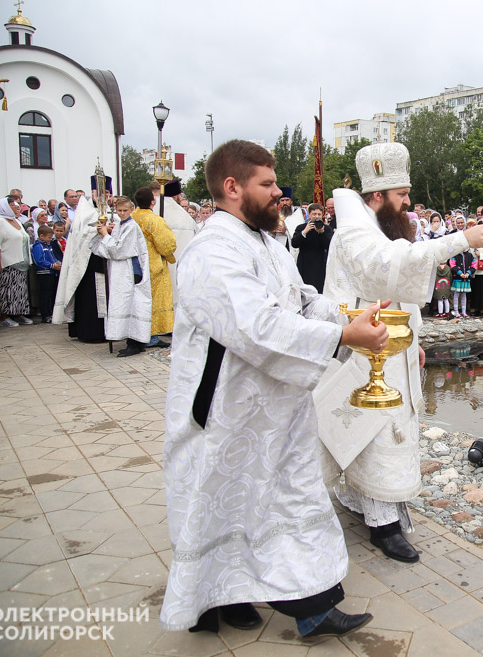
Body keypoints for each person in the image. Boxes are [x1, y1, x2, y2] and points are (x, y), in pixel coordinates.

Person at [161, 139, 381, 639]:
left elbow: (299, 300)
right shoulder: (212, 251)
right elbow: (254, 325)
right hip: (224, 412)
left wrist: (347, 316)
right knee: (221, 502)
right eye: (267, 183)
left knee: (282, 499)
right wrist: (342, 338)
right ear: (232, 187)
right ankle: (229, 602)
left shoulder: (263, 241)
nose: (279, 191)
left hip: (274, 408)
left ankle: (294, 605)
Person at [318, 141, 483, 564]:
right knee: (377, 430)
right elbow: (386, 268)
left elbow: (403, 293)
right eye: (401, 195)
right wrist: (461, 239)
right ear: (377, 195)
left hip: (393, 348)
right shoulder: (353, 234)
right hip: (365, 353)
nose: (407, 204)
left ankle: (367, 501)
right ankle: (382, 524)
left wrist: (414, 342)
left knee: (393, 427)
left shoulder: (381, 229)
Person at [88, 197, 153, 357]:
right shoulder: (119, 225)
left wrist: (105, 235)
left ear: (132, 209)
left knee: (132, 304)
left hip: (130, 271)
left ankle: (135, 342)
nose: (122, 213)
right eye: (119, 211)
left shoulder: (132, 227)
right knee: (126, 303)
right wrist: (104, 233)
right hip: (120, 271)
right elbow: (109, 249)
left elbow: (119, 250)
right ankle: (133, 341)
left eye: (125, 210)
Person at [52, 198, 106, 343]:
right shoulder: (87, 224)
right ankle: (93, 333)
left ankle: (86, 331)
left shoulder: (81, 222)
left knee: (88, 302)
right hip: (89, 268)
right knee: (90, 303)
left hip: (88, 269)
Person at [131, 186, 176, 347]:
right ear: (153, 201)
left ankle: (137, 333)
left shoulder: (131, 217)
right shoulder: (155, 220)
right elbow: (167, 244)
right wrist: (169, 255)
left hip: (134, 264)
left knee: (138, 300)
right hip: (153, 264)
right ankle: (151, 336)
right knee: (154, 301)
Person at [0, 198, 32, 326]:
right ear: (5, 207)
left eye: (17, 205)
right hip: (7, 262)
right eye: (12, 205)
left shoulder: (16, 221)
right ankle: (4, 317)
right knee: (7, 290)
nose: (17, 208)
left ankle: (18, 313)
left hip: (21, 261)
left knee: (19, 290)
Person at [292, 202, 333, 294]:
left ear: (322, 215)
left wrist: (321, 233)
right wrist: (304, 232)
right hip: (304, 264)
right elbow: (294, 243)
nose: (316, 216)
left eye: (319, 214)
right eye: (314, 214)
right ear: (309, 215)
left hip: (320, 264)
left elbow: (330, 245)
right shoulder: (301, 227)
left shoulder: (327, 229)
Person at [31, 225, 62, 324]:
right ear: (41, 236)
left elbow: (53, 257)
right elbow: (38, 261)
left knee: (50, 294)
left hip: (51, 272)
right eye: (49, 237)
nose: (50, 239)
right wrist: (51, 265)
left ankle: (50, 312)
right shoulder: (38, 246)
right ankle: (45, 315)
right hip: (43, 273)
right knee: (44, 295)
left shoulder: (48, 246)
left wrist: (57, 263)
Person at [450, 249, 476, 317]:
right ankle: (456, 311)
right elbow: (452, 265)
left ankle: (463, 311)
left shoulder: (470, 255)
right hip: (457, 278)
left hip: (466, 278)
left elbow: (474, 265)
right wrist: (459, 273)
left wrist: (468, 273)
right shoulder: (455, 255)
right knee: (456, 294)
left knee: (464, 294)